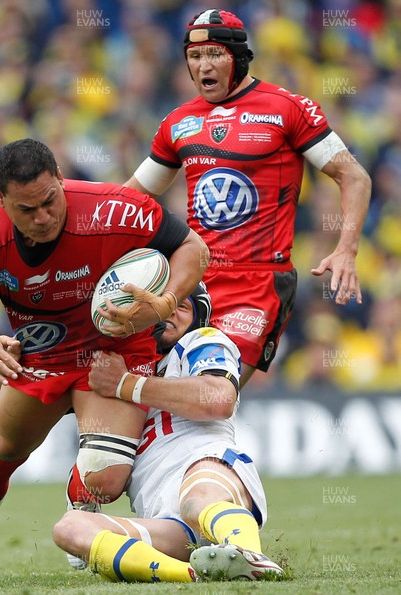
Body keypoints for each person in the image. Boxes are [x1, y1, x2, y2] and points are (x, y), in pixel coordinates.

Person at [0, 138, 208, 559]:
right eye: (27, 210)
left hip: (117, 349)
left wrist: (167, 302)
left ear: (61, 180)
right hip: (42, 354)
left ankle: (80, 503)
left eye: (50, 201)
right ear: (1, 199)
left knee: (106, 477)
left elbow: (193, 247)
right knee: (10, 447)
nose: (43, 217)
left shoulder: (116, 209)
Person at [124, 8, 372, 388]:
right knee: (159, 400)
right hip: (192, 279)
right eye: (195, 56)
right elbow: (130, 199)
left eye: (214, 54)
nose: (203, 65)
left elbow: (353, 176)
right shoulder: (177, 123)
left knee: (212, 394)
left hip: (257, 284)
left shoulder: (287, 108)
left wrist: (347, 249)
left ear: (238, 57)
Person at [53, 283, 283, 582]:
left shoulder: (201, 340)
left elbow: (218, 400)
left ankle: (250, 555)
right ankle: (190, 575)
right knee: (69, 528)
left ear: (199, 317)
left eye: (182, 307)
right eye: (157, 304)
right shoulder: (114, 366)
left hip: (208, 470)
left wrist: (125, 384)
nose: (168, 312)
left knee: (195, 502)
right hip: (165, 521)